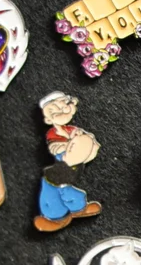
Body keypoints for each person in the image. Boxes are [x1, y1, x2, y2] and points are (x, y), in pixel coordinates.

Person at [34, 91, 102, 232]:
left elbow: (85, 143)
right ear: (48, 119)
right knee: (59, 187)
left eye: (64, 106)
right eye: (55, 110)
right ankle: (64, 212)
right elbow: (54, 147)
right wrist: (67, 145)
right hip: (63, 164)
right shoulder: (53, 133)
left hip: (71, 164)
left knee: (59, 187)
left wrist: (82, 141)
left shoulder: (74, 130)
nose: (62, 111)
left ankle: (65, 213)